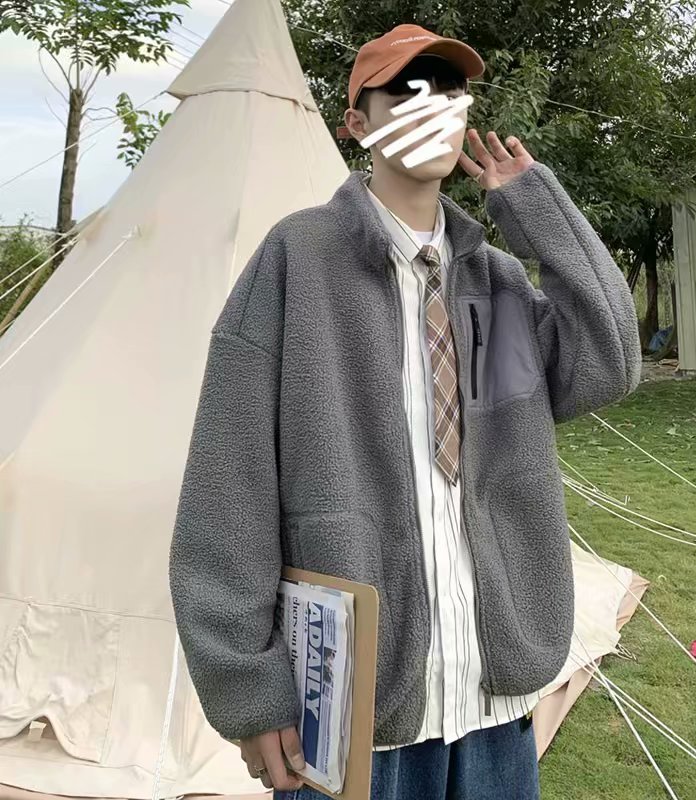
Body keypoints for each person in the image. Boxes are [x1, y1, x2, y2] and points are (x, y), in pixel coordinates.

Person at [168, 22, 642, 800]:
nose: (433, 108)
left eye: (450, 92)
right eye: (407, 92)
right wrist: (249, 687)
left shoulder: (493, 283)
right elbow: (229, 487)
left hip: (495, 700)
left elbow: (608, 362)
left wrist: (535, 208)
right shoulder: (297, 264)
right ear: (358, 123)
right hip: (355, 710)